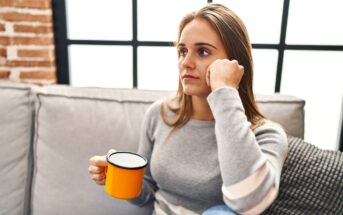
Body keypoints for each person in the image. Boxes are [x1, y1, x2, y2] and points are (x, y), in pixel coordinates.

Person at [88, 3, 288, 215]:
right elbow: (148, 190)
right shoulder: (159, 115)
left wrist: (225, 91)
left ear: (233, 63)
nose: (186, 62)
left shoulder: (266, 135)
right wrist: (119, 177)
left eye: (202, 51)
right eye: (182, 51)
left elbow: (249, 204)